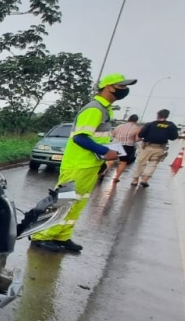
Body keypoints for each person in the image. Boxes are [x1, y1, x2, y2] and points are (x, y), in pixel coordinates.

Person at [30, 73, 135, 253]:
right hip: (78, 164)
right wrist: (105, 152)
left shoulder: (105, 110)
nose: (125, 90)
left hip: (89, 164)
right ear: (109, 87)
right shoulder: (94, 109)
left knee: (77, 203)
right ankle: (42, 235)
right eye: (122, 87)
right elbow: (80, 137)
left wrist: (102, 159)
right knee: (64, 200)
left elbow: (97, 138)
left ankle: (61, 236)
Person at [130, 109, 179, 187]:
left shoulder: (150, 124)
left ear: (158, 115)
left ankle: (135, 180)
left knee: (141, 163)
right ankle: (145, 179)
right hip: (160, 148)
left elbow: (141, 134)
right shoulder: (171, 125)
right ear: (167, 116)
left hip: (147, 146)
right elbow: (174, 137)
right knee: (153, 164)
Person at [109, 114, 141, 182]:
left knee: (110, 160)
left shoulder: (119, 126)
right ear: (136, 121)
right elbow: (137, 139)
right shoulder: (137, 128)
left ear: (128, 119)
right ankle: (116, 177)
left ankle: (103, 173)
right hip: (127, 146)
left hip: (115, 144)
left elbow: (113, 134)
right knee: (123, 162)